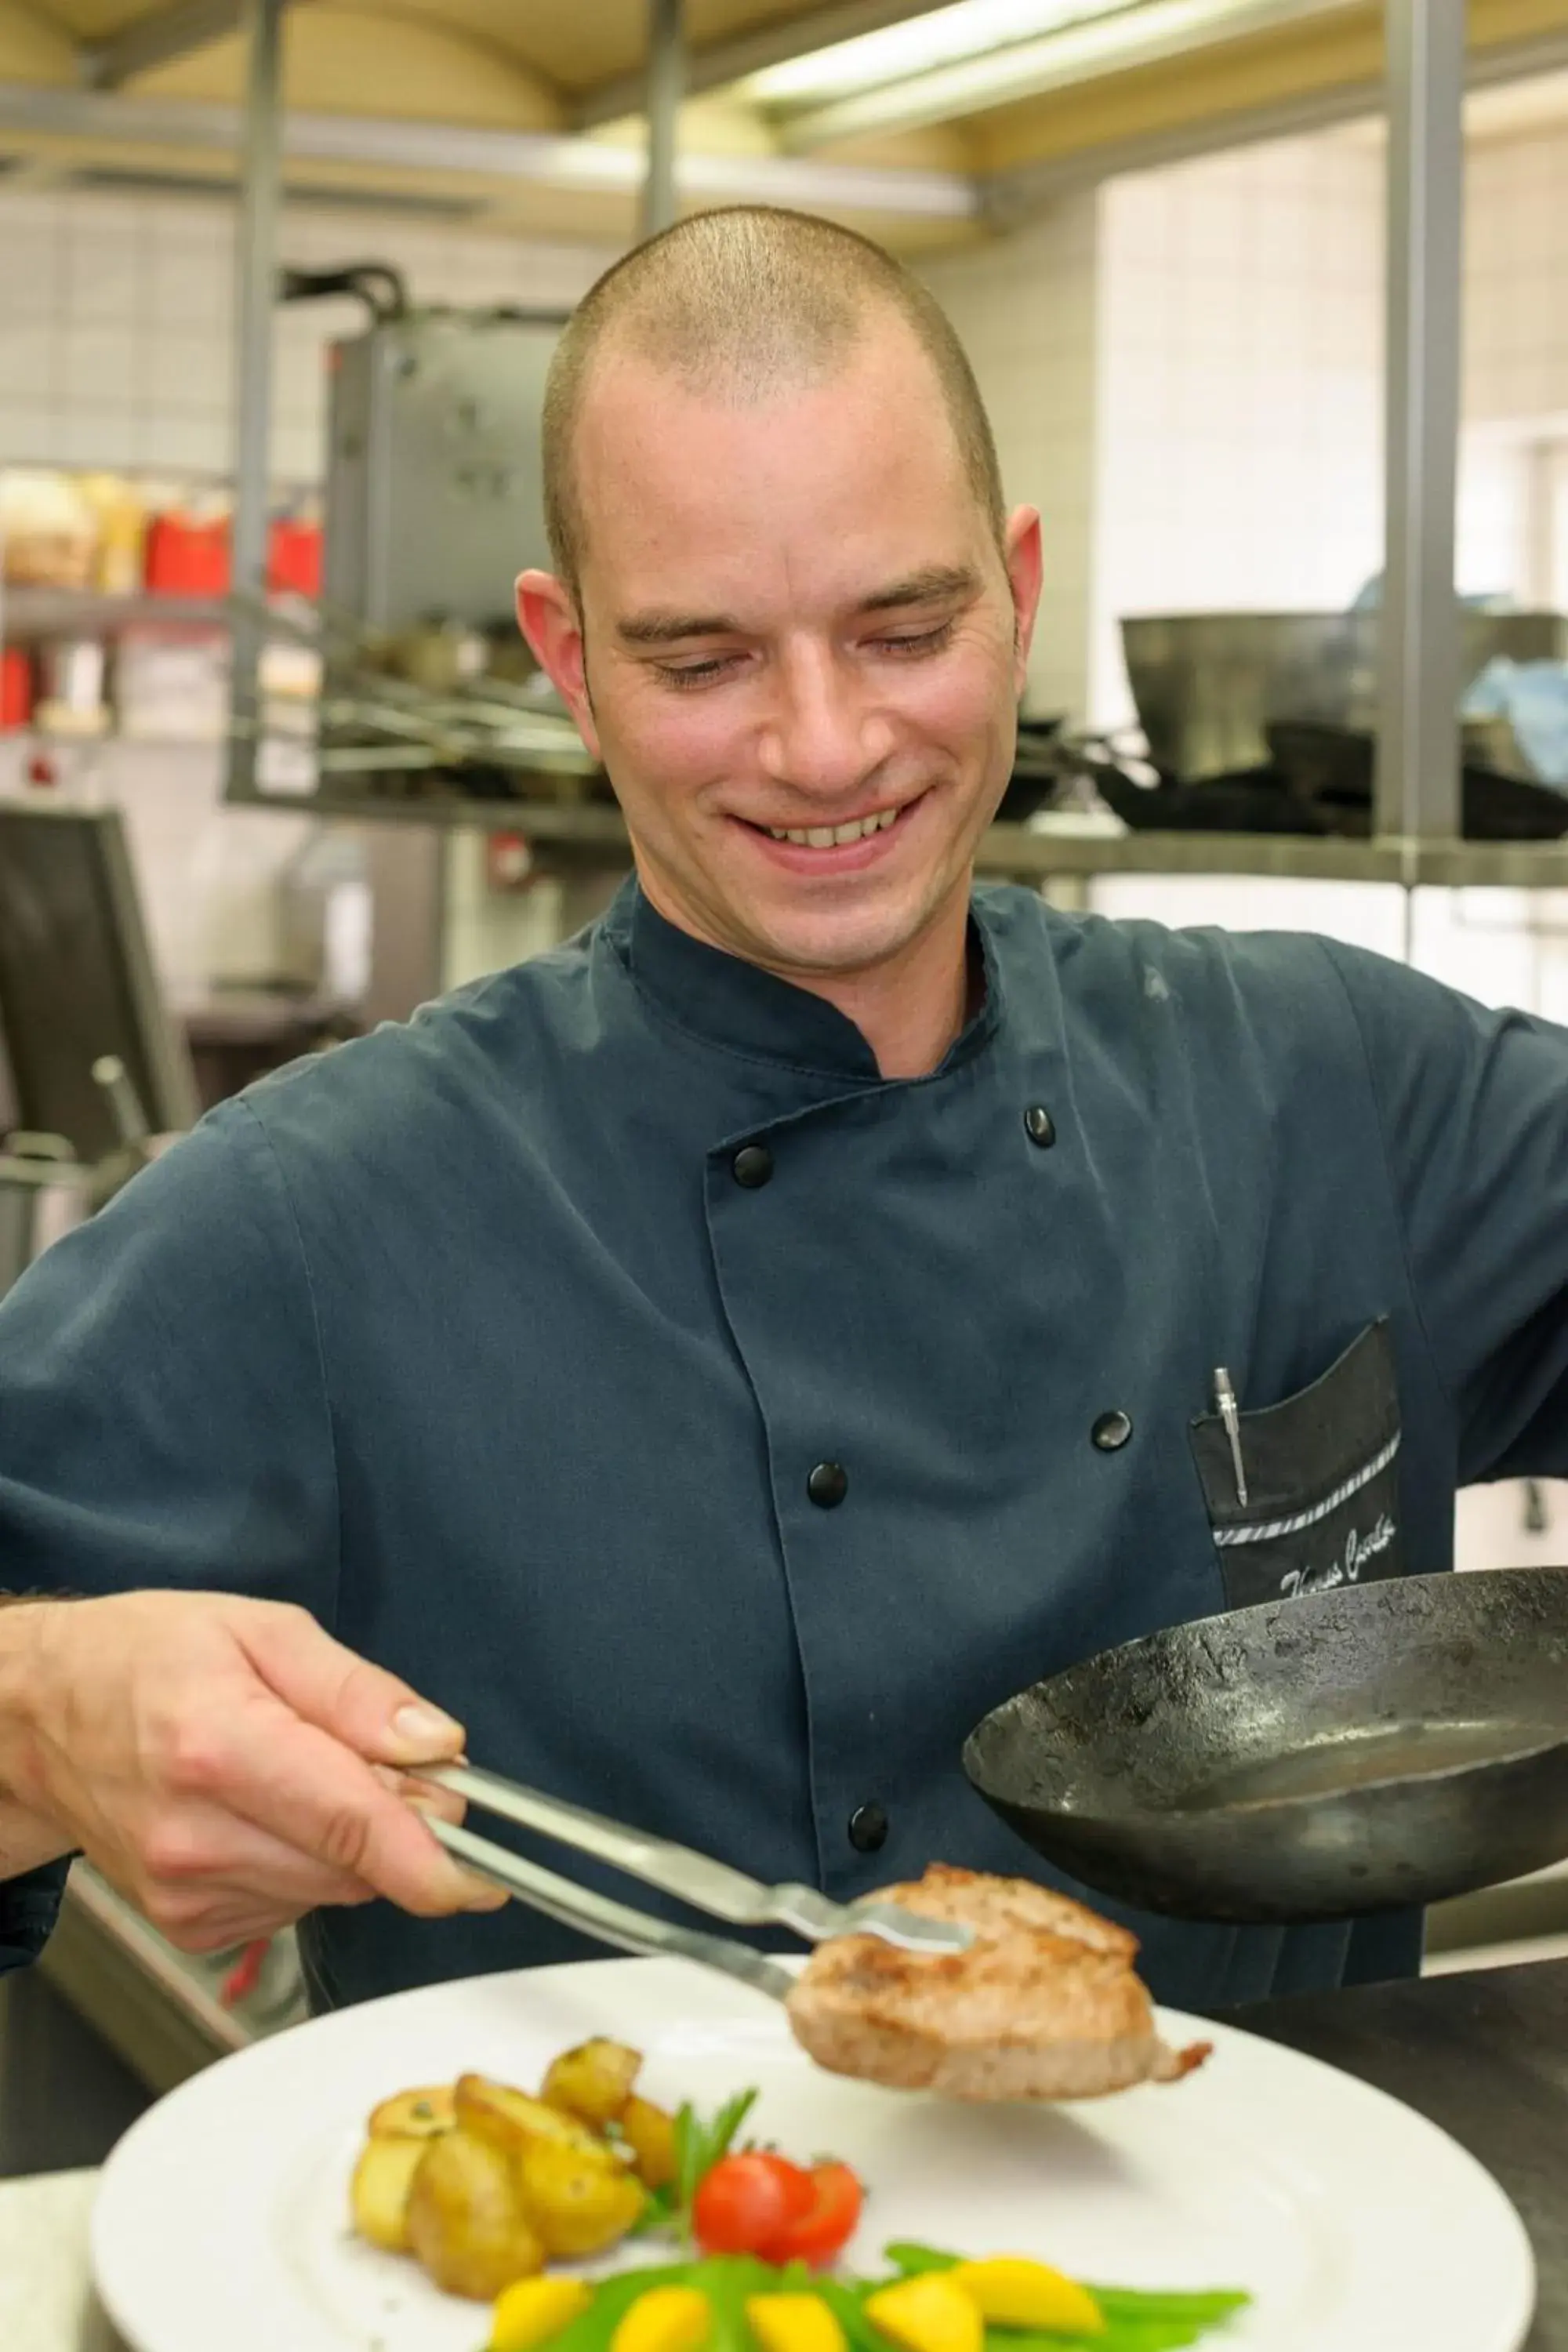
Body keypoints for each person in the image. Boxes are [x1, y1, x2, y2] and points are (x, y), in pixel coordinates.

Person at [2, 205, 1567, 2020]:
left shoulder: (1331, 1085)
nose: (825, 748)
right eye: (703, 661)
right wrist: (40, 1721)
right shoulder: (329, 1213)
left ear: (1016, 590)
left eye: (902, 628)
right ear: (569, 660)